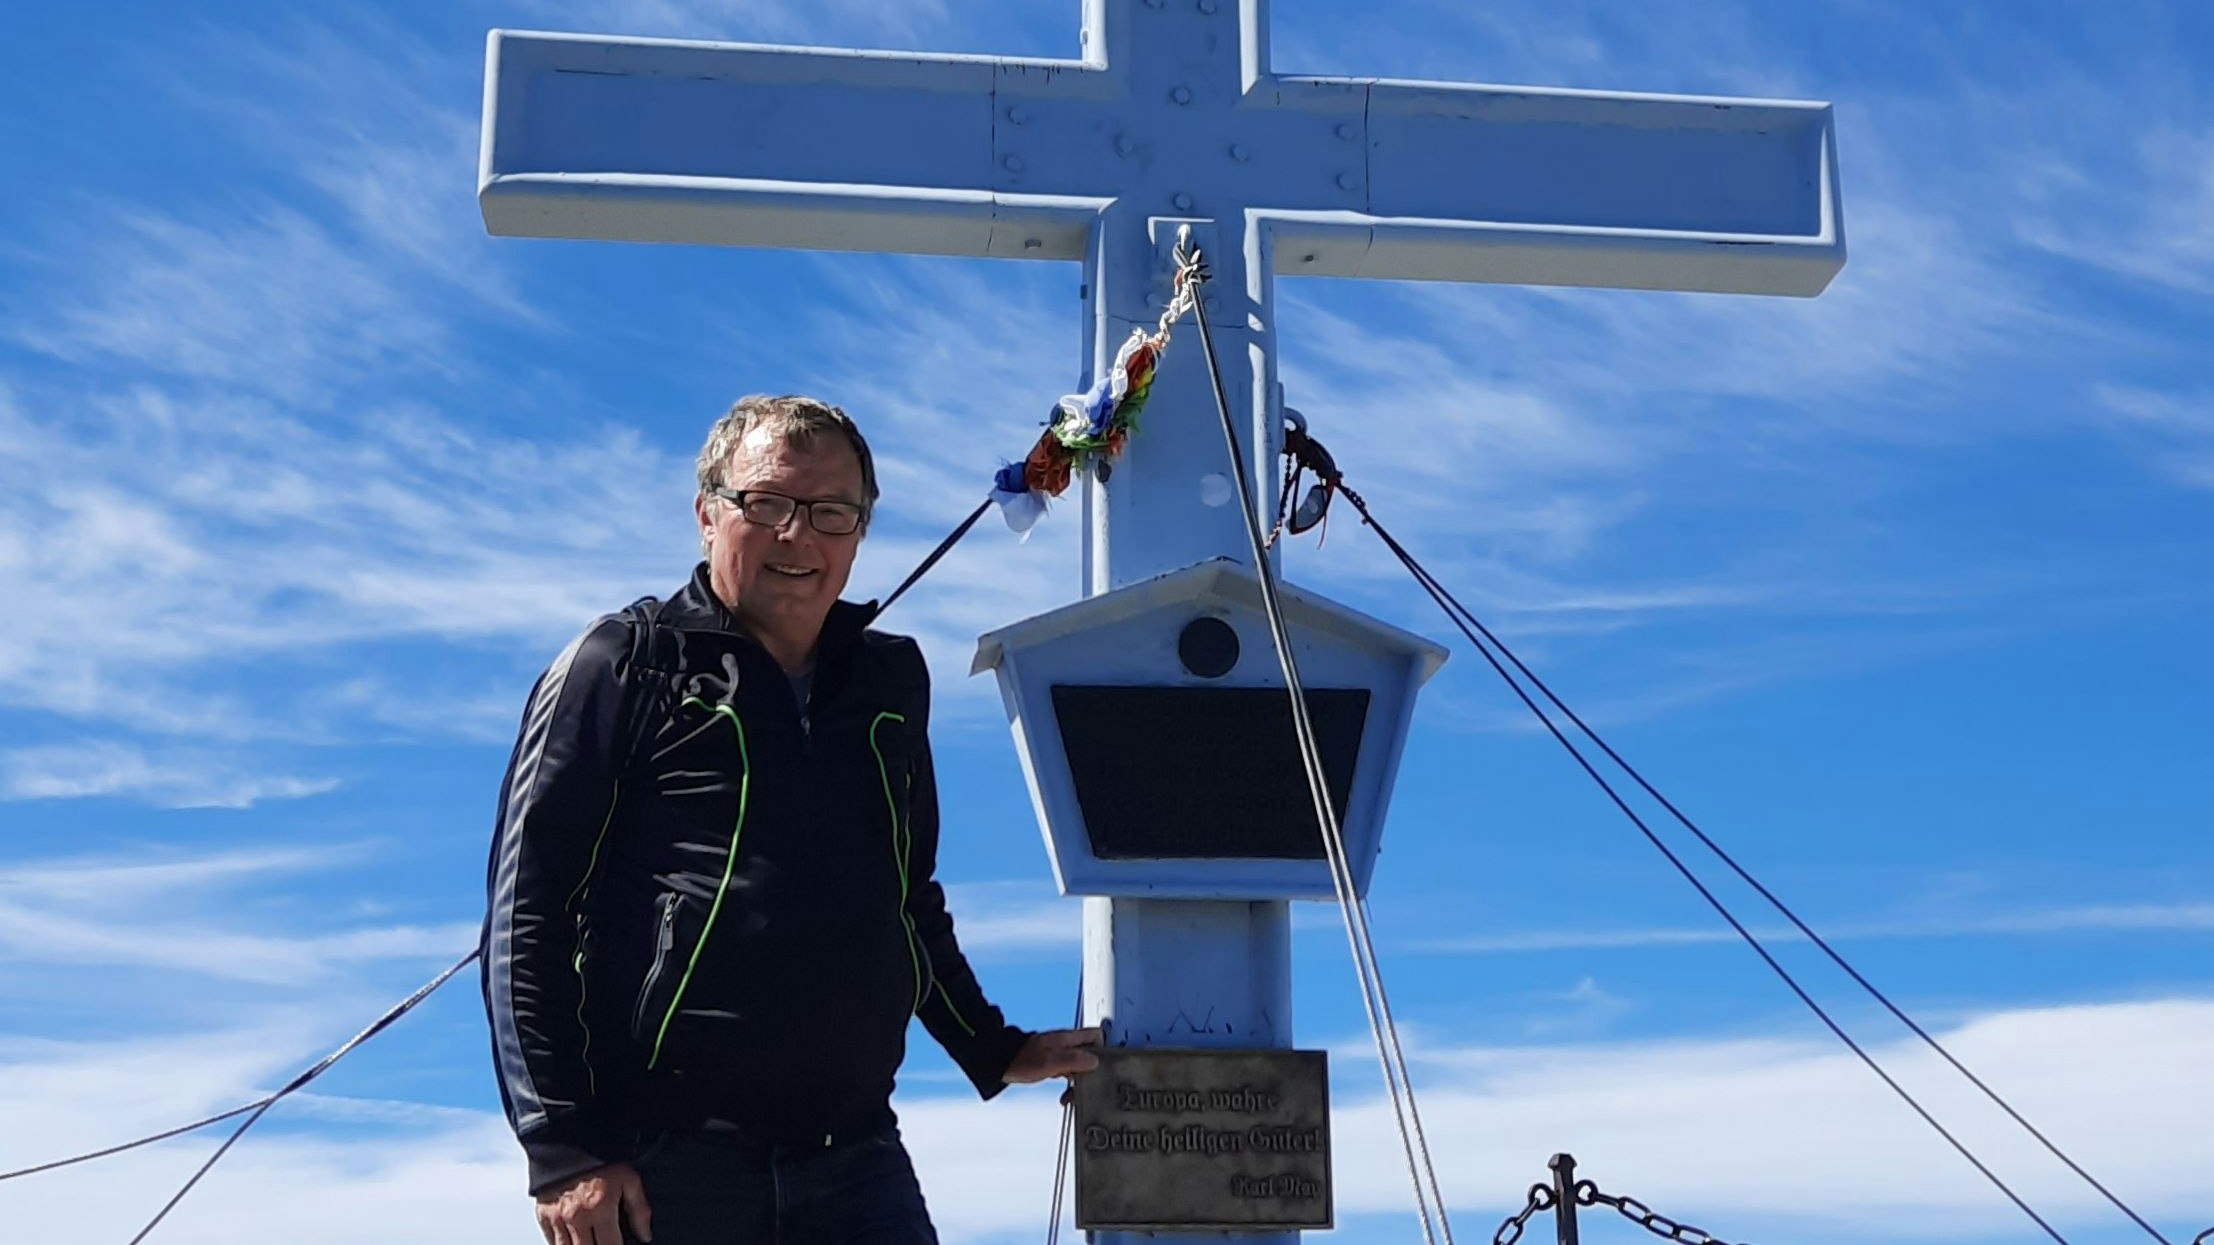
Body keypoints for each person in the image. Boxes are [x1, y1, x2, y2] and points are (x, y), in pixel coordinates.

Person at [481, 395, 1100, 1245]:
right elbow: (528, 911)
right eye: (766, 504)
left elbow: (906, 897)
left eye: (830, 513)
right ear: (707, 515)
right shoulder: (627, 663)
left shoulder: (888, 683)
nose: (797, 537)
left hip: (858, 1163)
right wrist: (561, 1148)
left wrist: (991, 1048)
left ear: (860, 531)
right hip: (665, 1167)